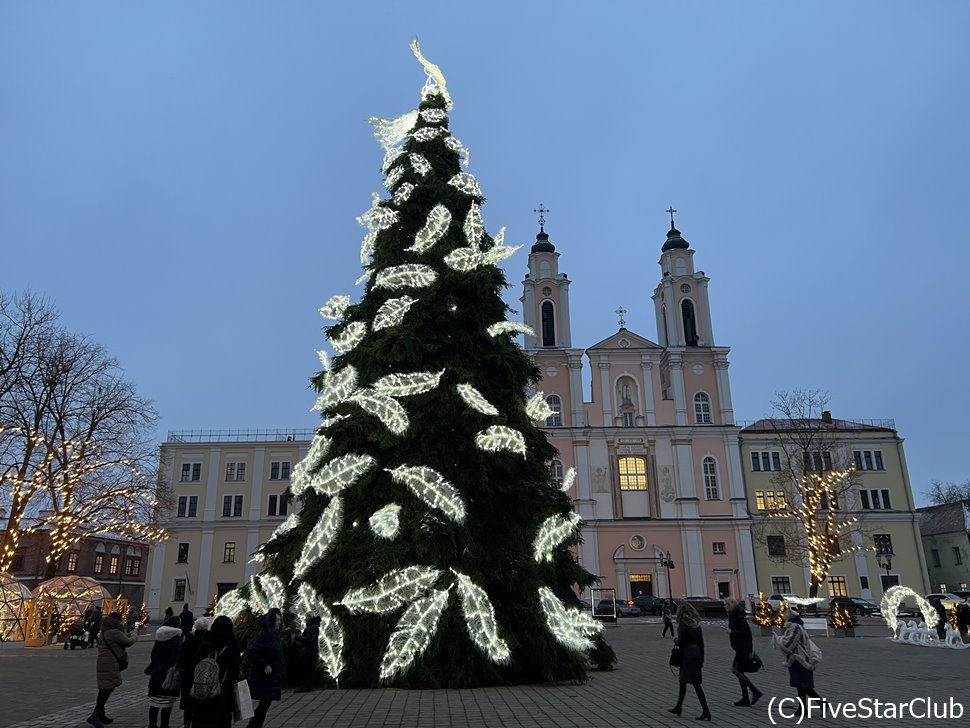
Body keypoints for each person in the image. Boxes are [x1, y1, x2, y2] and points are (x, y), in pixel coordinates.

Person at [189, 615, 240, 728]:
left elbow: (193, 666)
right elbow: (234, 673)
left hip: (201, 693)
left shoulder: (204, 645)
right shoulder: (230, 649)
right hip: (221, 696)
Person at [86, 611, 135, 728]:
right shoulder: (115, 632)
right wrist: (134, 636)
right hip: (110, 663)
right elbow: (127, 642)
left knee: (106, 687)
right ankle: (96, 714)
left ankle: (101, 714)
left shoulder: (105, 630)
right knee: (107, 689)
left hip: (104, 662)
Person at [774, 609, 822, 717]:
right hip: (795, 659)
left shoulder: (795, 627)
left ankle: (822, 704)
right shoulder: (794, 626)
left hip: (800, 659)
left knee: (805, 686)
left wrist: (778, 640)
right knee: (800, 686)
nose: (782, 618)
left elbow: (789, 644)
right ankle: (803, 708)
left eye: (784, 616)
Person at [668, 601, 710, 721]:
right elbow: (701, 644)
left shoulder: (683, 624)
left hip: (686, 654)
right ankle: (678, 706)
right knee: (682, 680)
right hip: (695, 653)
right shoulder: (696, 624)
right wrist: (701, 658)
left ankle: (706, 710)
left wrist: (675, 640)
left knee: (696, 684)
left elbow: (681, 641)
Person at [246, 608, 284, 728]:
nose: (279, 622)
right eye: (277, 620)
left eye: (280, 620)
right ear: (271, 622)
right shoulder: (264, 637)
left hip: (271, 678)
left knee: (264, 706)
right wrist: (264, 665)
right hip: (264, 679)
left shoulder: (273, 636)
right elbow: (252, 652)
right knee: (263, 706)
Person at [146, 615, 184, 728]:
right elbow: (175, 656)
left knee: (155, 699)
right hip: (168, 672)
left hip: (157, 670)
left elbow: (153, 655)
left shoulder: (160, 637)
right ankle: (164, 724)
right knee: (167, 700)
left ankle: (152, 724)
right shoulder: (176, 638)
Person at [725, 597, 763, 707]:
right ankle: (745, 697)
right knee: (739, 670)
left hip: (743, 648)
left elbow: (746, 632)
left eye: (725, 604)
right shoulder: (734, 615)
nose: (724, 606)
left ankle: (755, 691)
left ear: (730, 605)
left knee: (735, 670)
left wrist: (732, 632)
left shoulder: (738, 616)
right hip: (741, 648)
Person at [179, 616, 210, 728]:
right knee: (200, 700)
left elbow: (181, 659)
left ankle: (187, 722)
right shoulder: (208, 642)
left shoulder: (189, 640)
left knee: (188, 700)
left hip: (188, 675)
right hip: (203, 676)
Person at [294, 615, 321, 692]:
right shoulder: (313, 626)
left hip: (308, 652)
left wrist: (297, 637)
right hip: (311, 651)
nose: (305, 619)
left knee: (305, 669)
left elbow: (309, 639)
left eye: (307, 617)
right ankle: (309, 686)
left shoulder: (312, 627)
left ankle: (304, 686)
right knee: (310, 669)